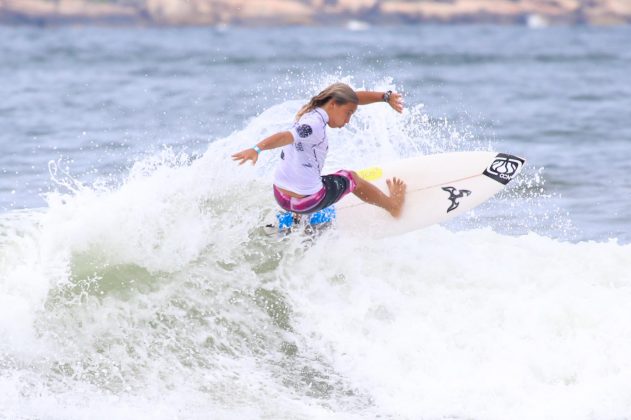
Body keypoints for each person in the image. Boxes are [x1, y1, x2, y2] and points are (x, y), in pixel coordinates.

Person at [231, 83, 406, 218]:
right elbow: (285, 136)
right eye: (348, 113)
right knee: (351, 177)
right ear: (334, 105)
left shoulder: (312, 110)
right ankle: (393, 206)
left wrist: (385, 96)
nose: (348, 120)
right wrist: (257, 149)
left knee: (309, 170)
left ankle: (299, 219)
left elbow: (352, 98)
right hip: (307, 202)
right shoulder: (313, 125)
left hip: (281, 195)